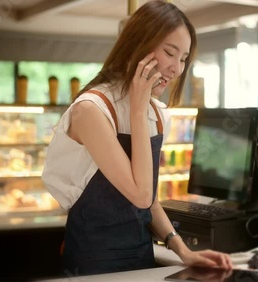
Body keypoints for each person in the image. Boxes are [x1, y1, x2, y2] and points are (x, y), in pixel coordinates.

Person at [42, 0, 232, 276]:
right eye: (170, 53)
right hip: (93, 261)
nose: (177, 69)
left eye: (183, 59)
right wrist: (138, 109)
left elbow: (151, 200)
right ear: (138, 44)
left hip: (141, 256)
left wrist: (183, 250)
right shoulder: (92, 110)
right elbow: (140, 195)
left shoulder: (155, 112)